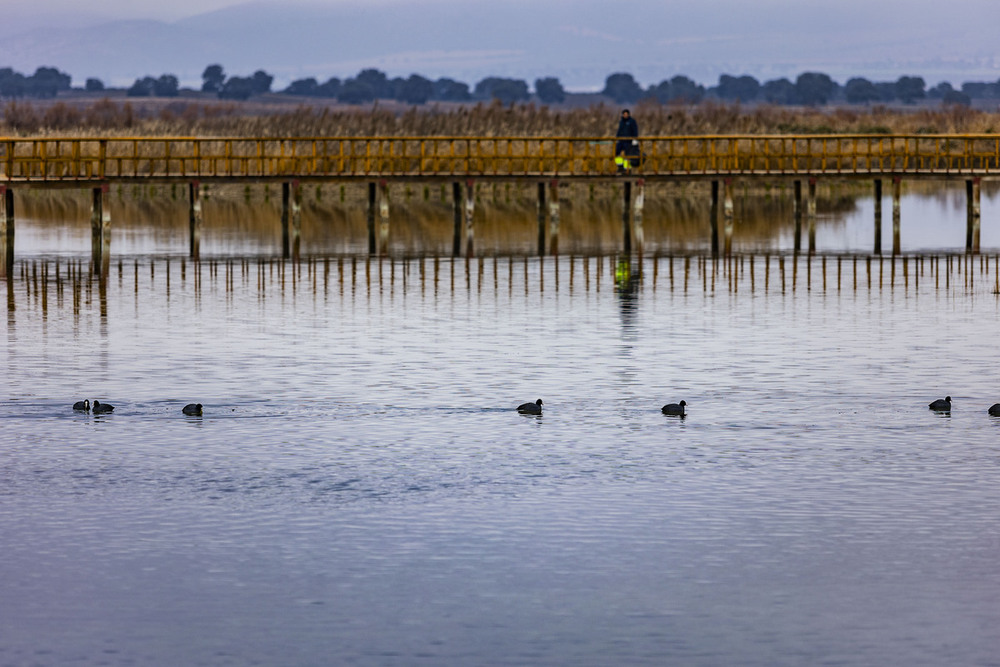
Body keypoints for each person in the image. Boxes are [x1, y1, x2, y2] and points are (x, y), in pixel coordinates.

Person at [615, 109, 639, 173]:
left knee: (627, 155)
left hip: (628, 141)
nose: (625, 115)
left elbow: (635, 130)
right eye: (624, 114)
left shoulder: (632, 121)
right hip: (621, 141)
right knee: (616, 153)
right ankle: (620, 166)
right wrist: (617, 138)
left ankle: (627, 169)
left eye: (626, 114)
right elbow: (619, 131)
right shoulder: (621, 122)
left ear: (628, 114)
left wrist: (635, 139)